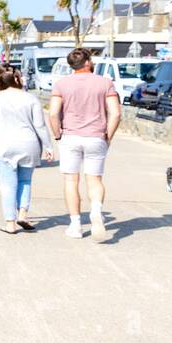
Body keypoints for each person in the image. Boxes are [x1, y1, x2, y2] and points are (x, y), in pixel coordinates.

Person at [48, 47, 120, 240]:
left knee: (71, 181)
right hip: (96, 137)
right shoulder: (105, 83)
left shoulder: (61, 84)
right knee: (94, 179)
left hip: (70, 137)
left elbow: (53, 113)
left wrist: (57, 135)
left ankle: (76, 225)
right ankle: (96, 210)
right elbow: (116, 113)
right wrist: (108, 136)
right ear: (87, 62)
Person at [0, 66, 54, 234]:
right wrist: (49, 146)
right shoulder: (31, 99)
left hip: (4, 145)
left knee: (7, 184)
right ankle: (22, 214)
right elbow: (40, 126)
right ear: (18, 80)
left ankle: (10, 223)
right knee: (25, 181)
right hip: (30, 144)